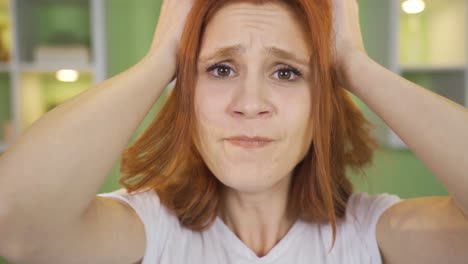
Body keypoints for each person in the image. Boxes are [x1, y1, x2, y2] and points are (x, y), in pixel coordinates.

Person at [0, 0, 467, 263]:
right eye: (221, 68)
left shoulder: (370, 235)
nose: (249, 104)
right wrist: (164, 57)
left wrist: (355, 65)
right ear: (187, 94)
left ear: (320, 105)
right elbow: (18, 229)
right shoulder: (151, 231)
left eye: (286, 73)